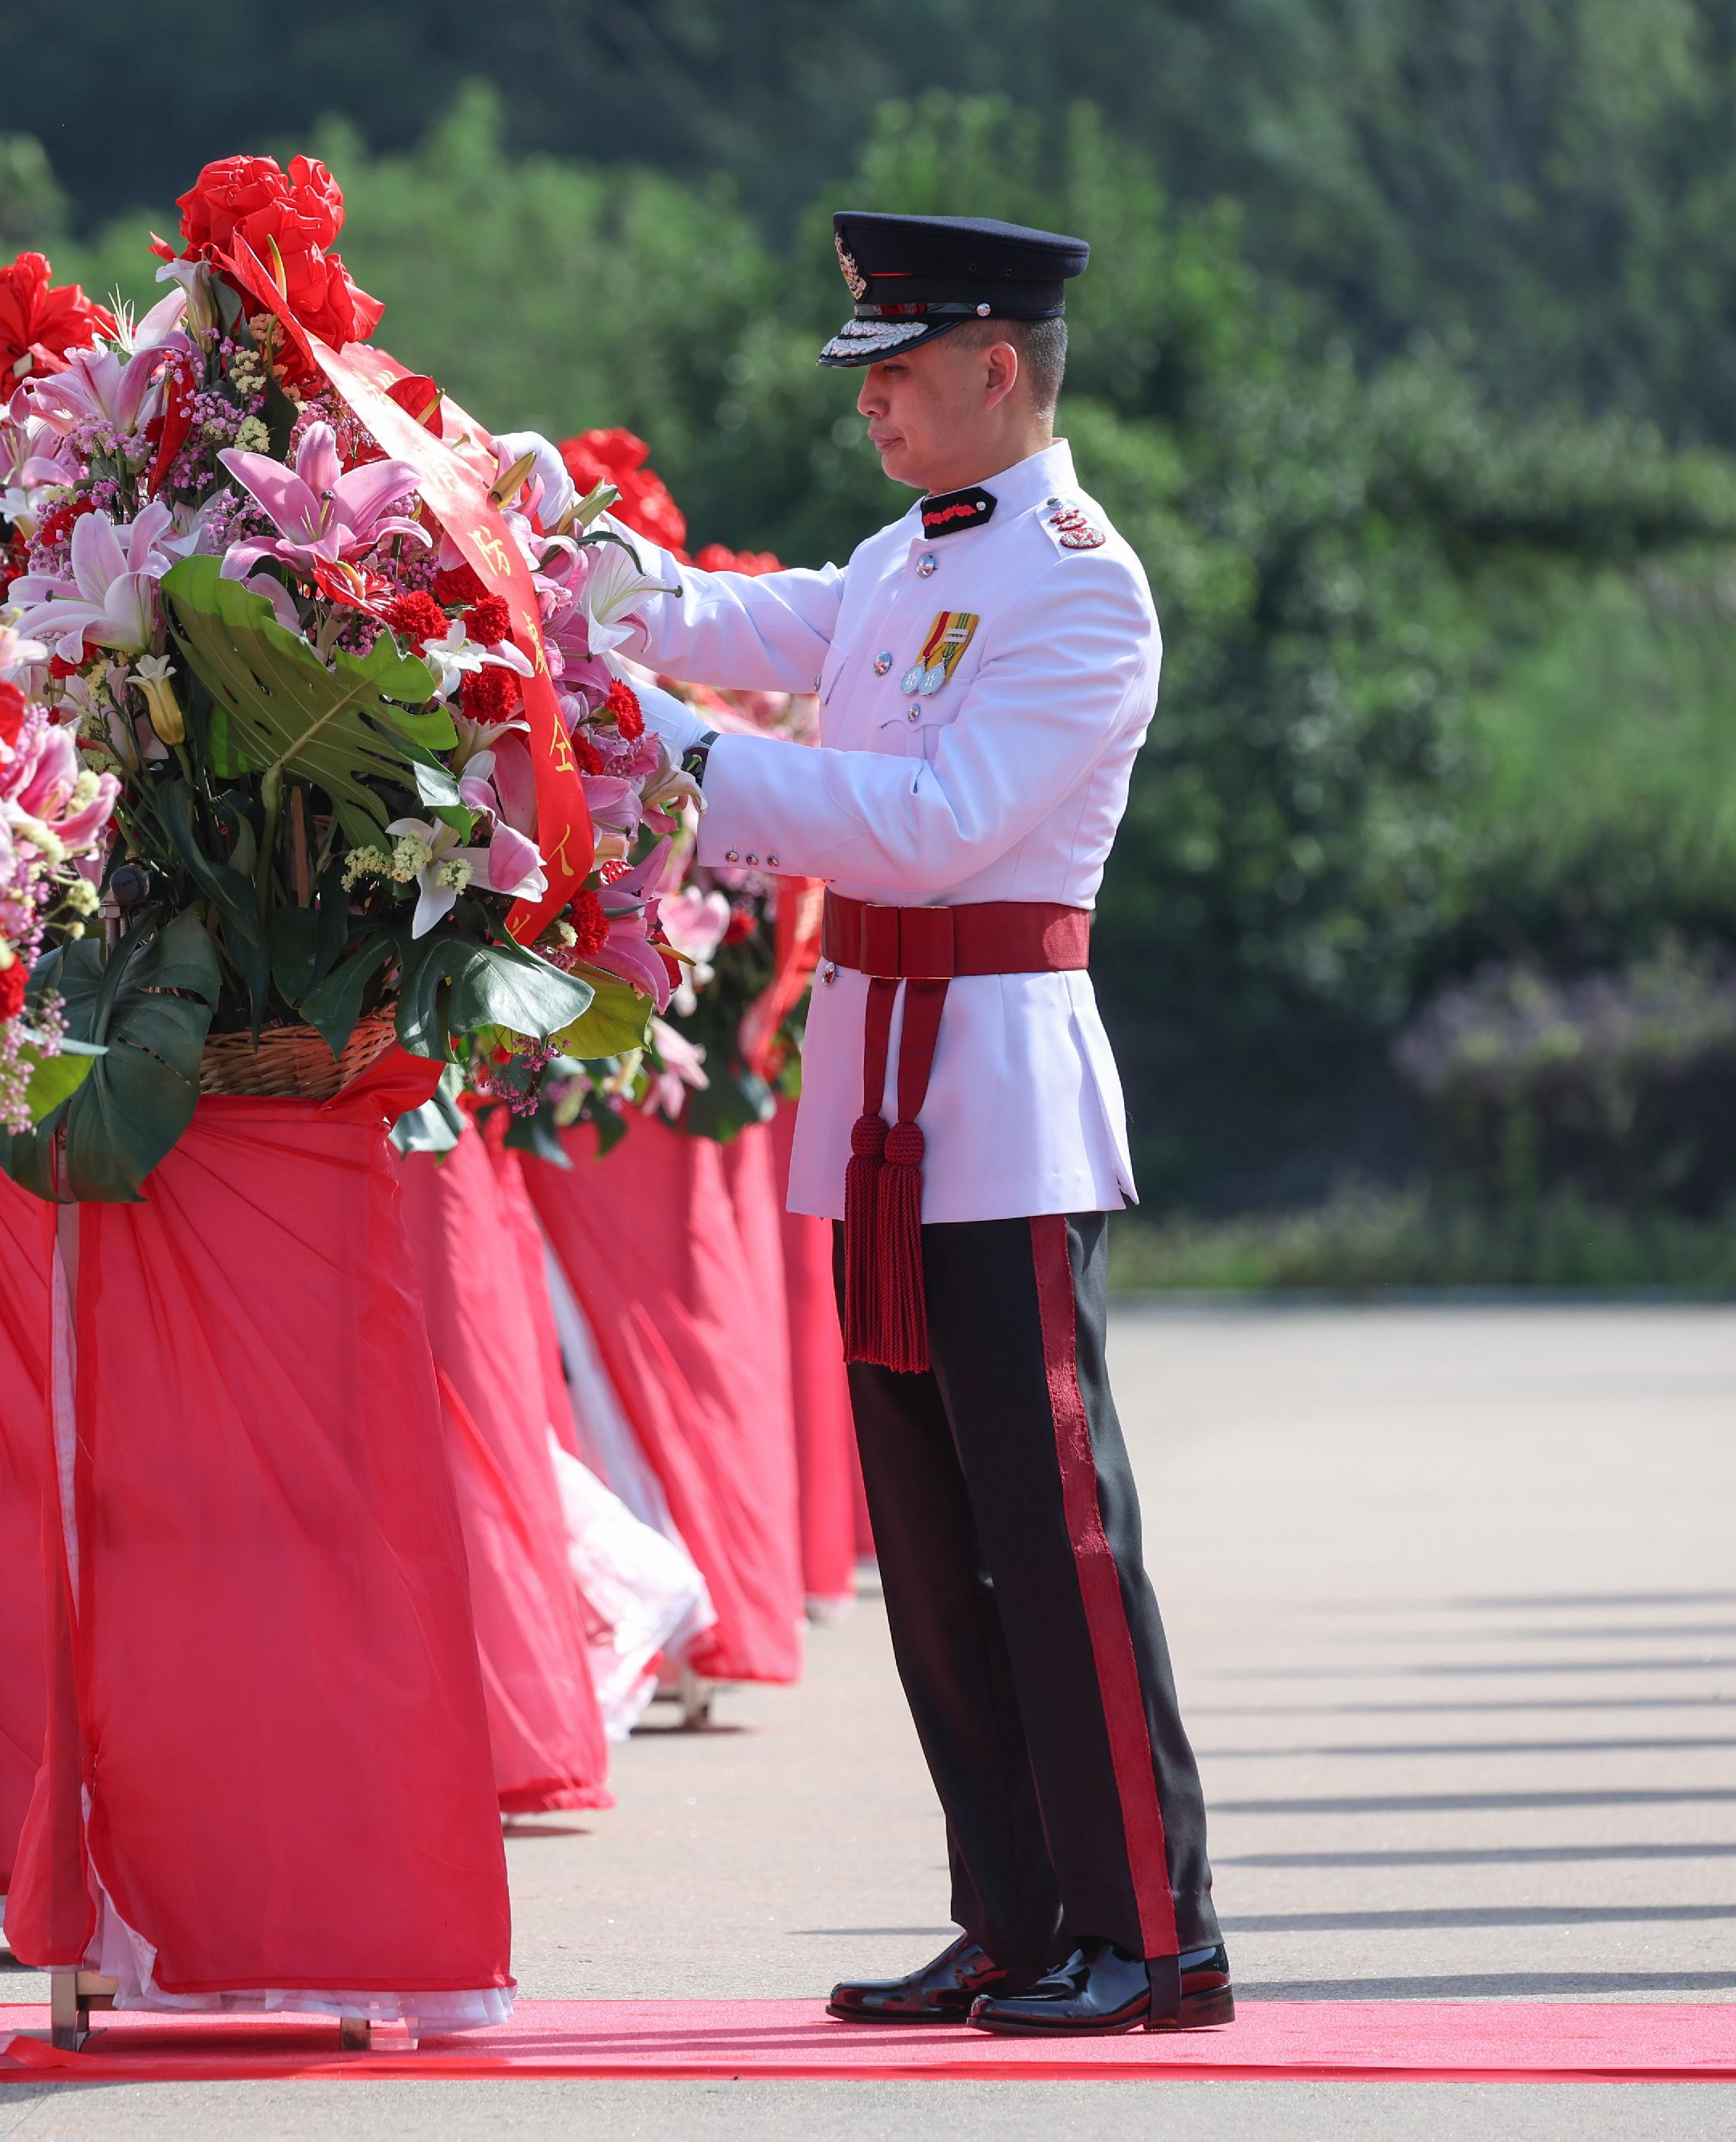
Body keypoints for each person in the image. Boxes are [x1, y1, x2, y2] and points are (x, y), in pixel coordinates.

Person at [513, 210, 1225, 2034]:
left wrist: (668, 745)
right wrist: (564, 561)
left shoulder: (1080, 579)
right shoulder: (914, 553)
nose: (872, 409)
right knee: (931, 1538)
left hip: (989, 1089)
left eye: (899, 374)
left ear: (1000, 369)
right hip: (884, 1087)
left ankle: (1146, 1930)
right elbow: (756, 620)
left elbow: (927, 824)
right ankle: (1007, 1909)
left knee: (1048, 1533)